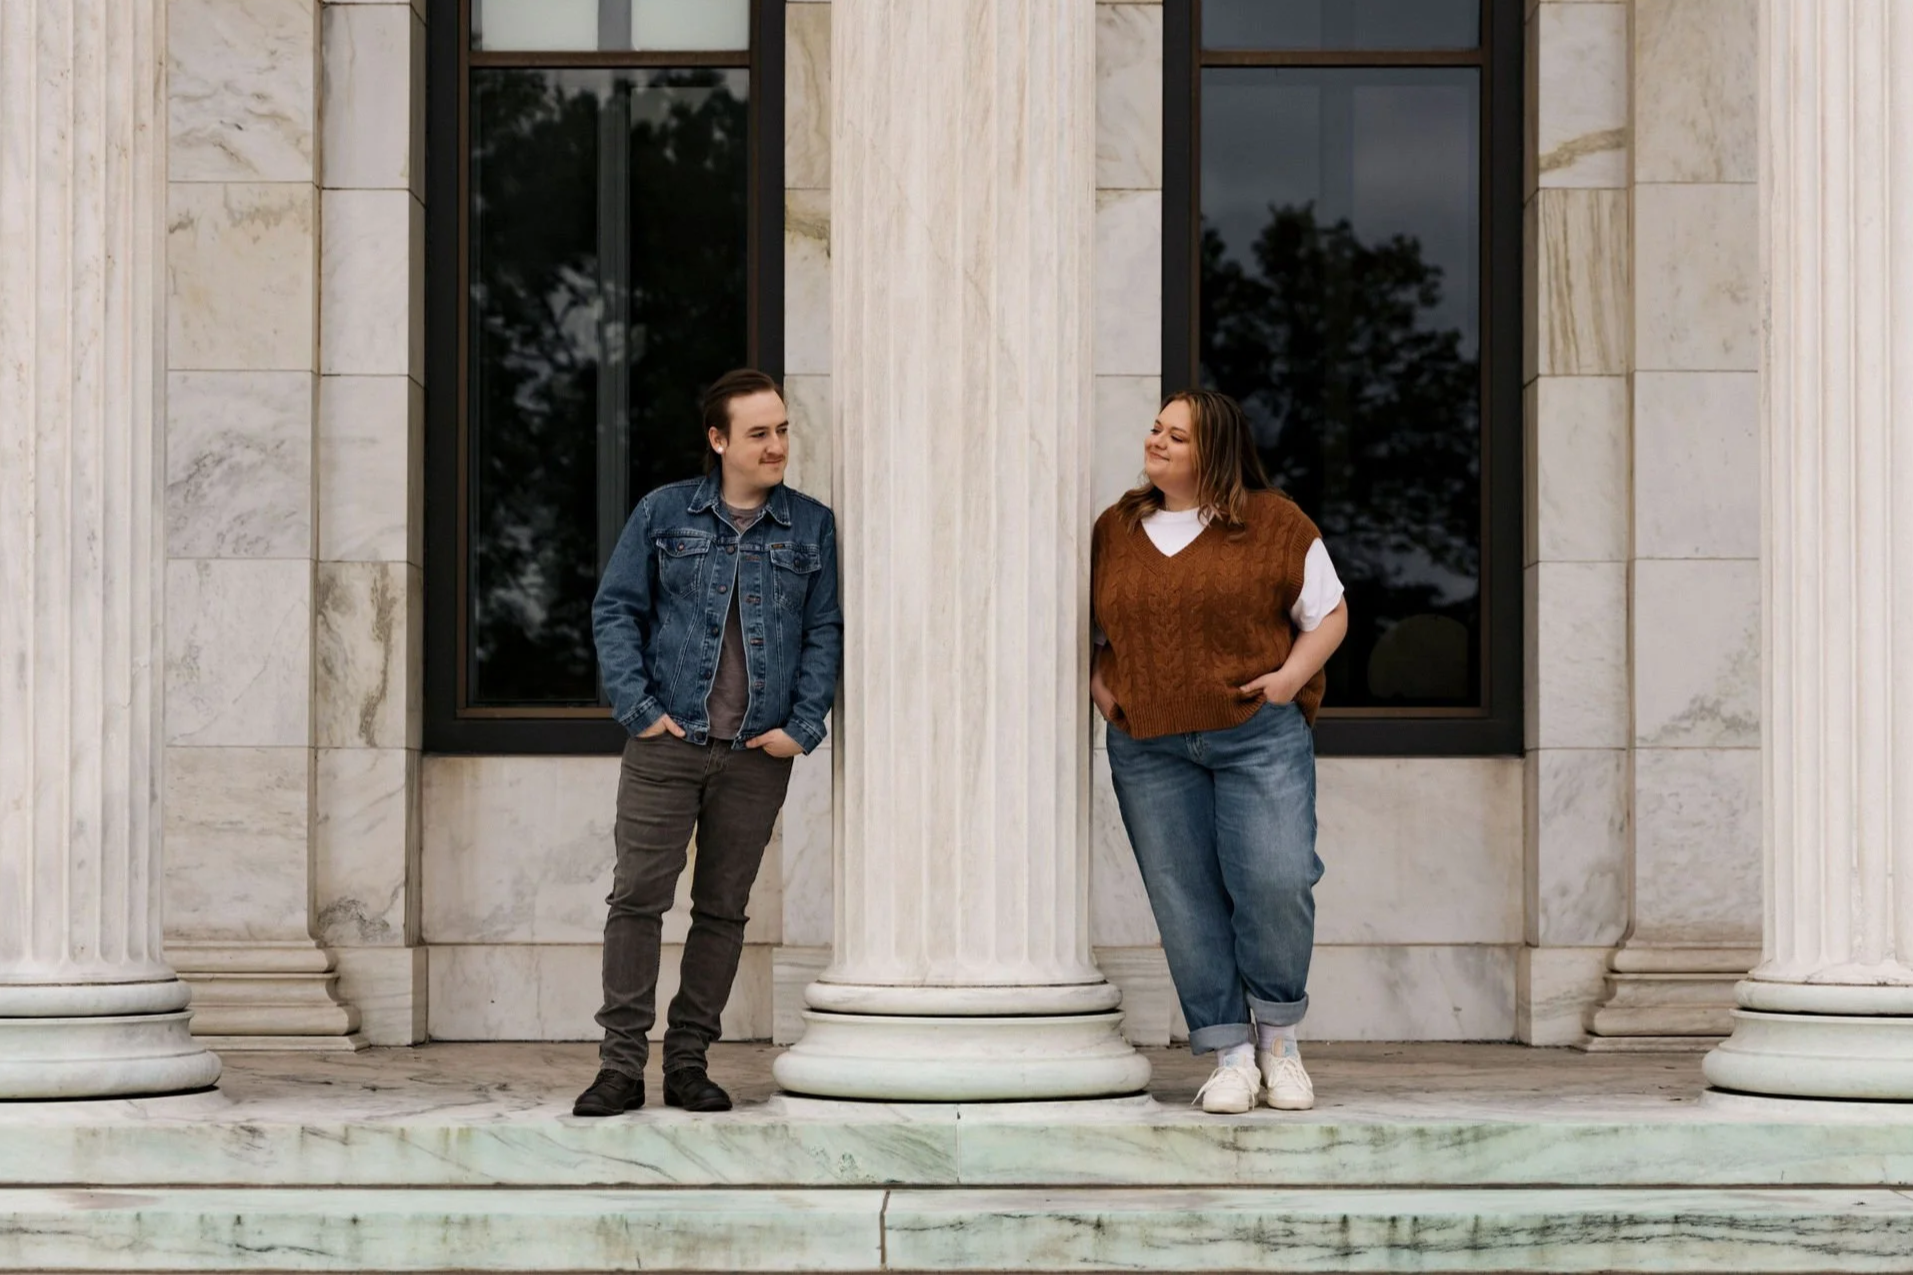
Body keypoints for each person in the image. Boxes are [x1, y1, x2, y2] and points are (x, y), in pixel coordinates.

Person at [574, 369, 842, 1117]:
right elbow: (616, 610)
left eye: (783, 429)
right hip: (668, 742)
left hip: (757, 754)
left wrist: (803, 724)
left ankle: (688, 1062)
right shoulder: (665, 514)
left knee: (722, 911)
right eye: (759, 433)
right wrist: (638, 708)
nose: (776, 445)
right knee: (636, 901)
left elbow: (825, 631)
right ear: (718, 439)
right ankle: (620, 1066)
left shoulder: (810, 526)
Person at [1090, 389, 1348, 1114]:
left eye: (1177, 435)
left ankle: (1278, 1041)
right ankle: (1230, 1053)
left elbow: (1327, 612)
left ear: (1217, 451)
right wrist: (1096, 683)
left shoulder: (1272, 521)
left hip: (1254, 737)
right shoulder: (1115, 527)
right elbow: (1077, 620)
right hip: (1148, 745)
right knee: (1184, 900)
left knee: (1276, 880)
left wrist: (1289, 680)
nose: (1157, 441)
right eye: (1155, 428)